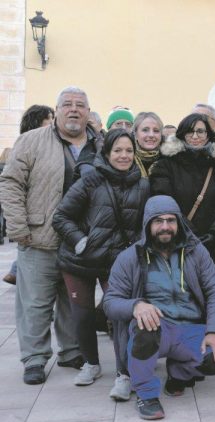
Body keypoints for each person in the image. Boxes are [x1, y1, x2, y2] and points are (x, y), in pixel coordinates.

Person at [0, 86, 104, 385]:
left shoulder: (101, 145)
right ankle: (34, 358)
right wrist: (19, 227)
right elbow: (10, 183)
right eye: (67, 105)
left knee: (74, 301)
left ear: (88, 111)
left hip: (82, 241)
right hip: (39, 237)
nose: (74, 110)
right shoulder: (31, 141)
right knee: (35, 303)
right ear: (56, 111)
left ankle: (71, 351)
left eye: (80, 105)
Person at [103, 195, 215, 420]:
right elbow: (110, 302)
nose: (165, 227)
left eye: (171, 220)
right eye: (158, 221)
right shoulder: (130, 257)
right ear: (147, 225)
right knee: (145, 328)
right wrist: (136, 306)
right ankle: (146, 394)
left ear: (179, 223)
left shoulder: (195, 251)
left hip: (190, 328)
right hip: (156, 330)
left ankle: (179, 373)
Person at [52, 129, 150, 395]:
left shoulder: (142, 185)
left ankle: (124, 374)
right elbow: (61, 217)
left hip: (116, 263)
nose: (123, 155)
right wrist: (80, 240)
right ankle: (91, 364)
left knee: (119, 317)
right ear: (106, 153)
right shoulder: (90, 179)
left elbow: (145, 225)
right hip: (79, 260)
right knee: (82, 316)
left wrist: (136, 250)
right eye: (117, 150)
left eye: (129, 151)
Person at [150, 113, 215, 284]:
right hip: (177, 242)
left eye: (201, 131)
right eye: (190, 132)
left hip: (214, 246)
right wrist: (188, 233)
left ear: (208, 135)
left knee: (213, 296)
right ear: (182, 134)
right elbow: (163, 202)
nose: (196, 136)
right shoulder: (166, 164)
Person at [2, 104, 55, 285]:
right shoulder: (28, 144)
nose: (53, 124)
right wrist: (18, 226)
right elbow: (12, 183)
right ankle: (16, 271)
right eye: (49, 120)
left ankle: (16, 271)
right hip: (31, 218)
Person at [132, 112, 164, 177]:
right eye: (145, 130)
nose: (151, 135)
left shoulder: (171, 160)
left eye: (156, 131)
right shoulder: (125, 159)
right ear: (135, 134)